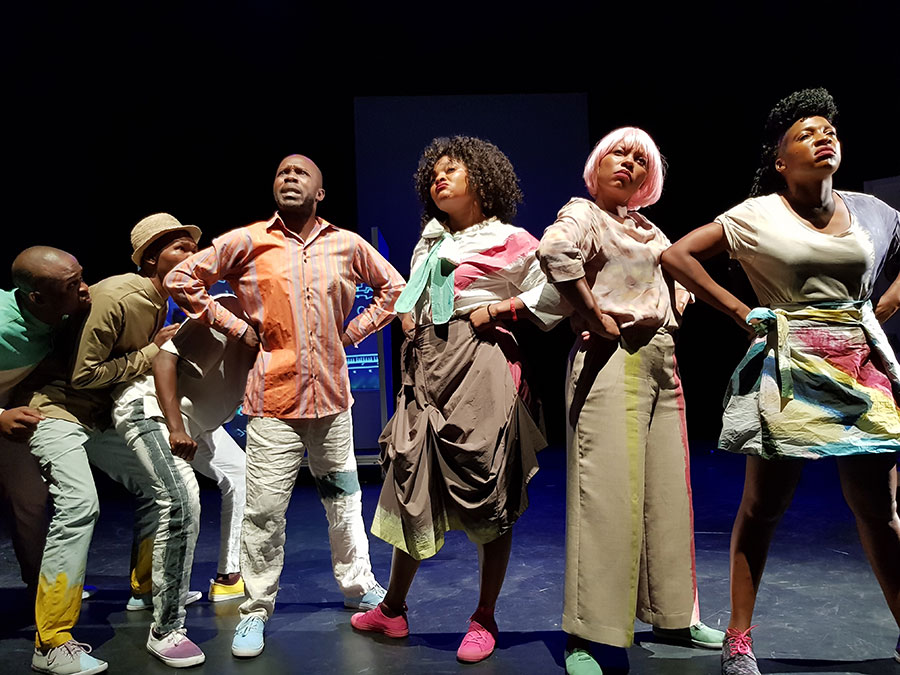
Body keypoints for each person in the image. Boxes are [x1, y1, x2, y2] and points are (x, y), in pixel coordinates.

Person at [660, 88, 900, 675]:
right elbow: (677, 256)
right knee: (764, 506)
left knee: (877, 508)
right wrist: (741, 312)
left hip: (858, 365)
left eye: (828, 130)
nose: (824, 137)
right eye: (805, 134)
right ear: (780, 160)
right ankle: (737, 638)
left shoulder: (872, 211)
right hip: (789, 364)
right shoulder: (757, 214)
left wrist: (882, 308)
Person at [165, 153, 405, 660]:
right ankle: (255, 609)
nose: (289, 176)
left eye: (301, 173)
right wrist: (234, 326)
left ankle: (358, 585)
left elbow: (395, 289)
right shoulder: (249, 240)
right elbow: (182, 279)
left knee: (343, 499)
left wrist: (354, 332)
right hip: (273, 402)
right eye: (281, 172)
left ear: (320, 192)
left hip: (332, 403)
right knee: (263, 511)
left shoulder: (346, 244)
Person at [350, 136, 559, 664]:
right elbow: (416, 298)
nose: (438, 178)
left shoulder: (511, 239)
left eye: (452, 170)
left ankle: (484, 617)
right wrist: (407, 317)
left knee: (487, 485)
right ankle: (393, 609)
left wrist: (499, 309)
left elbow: (554, 292)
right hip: (426, 368)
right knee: (410, 480)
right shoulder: (430, 242)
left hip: (478, 362)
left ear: (481, 180)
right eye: (434, 173)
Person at [537, 127, 724, 675]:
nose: (629, 164)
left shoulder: (648, 228)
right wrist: (592, 314)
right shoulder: (584, 214)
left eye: (640, 160)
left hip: (662, 359)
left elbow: (677, 274)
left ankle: (673, 615)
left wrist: (676, 300)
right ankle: (586, 633)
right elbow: (554, 250)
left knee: (668, 492)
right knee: (606, 495)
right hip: (611, 361)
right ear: (596, 164)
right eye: (619, 153)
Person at [148, 282, 254, 603]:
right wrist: (175, 427)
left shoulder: (273, 322)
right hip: (167, 419)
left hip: (203, 426)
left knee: (240, 475)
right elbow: (164, 360)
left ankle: (229, 575)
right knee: (177, 501)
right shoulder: (225, 310)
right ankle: (160, 593)